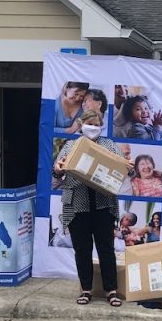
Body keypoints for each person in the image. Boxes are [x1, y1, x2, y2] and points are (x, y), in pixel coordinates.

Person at [53, 110, 129, 306]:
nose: (93, 127)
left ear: (102, 126)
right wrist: (58, 169)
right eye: (89, 123)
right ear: (81, 123)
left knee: (106, 250)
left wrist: (129, 166)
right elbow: (57, 171)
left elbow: (126, 167)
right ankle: (86, 290)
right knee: (82, 250)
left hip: (103, 205)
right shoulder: (71, 145)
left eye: (97, 124)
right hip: (78, 206)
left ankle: (111, 291)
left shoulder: (109, 145)